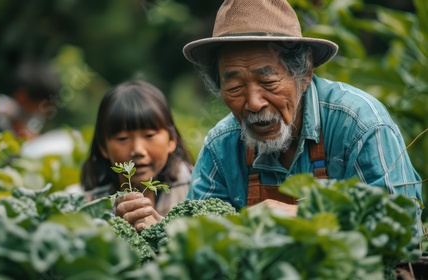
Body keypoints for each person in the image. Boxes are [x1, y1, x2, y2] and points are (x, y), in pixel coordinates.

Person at [118, 0, 424, 232]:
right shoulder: (221, 148)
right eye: (234, 85)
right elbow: (206, 243)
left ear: (303, 73)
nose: (253, 103)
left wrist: (307, 219)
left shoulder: (358, 124)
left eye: (268, 82)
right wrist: (166, 233)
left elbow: (404, 229)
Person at [81, 80, 194, 229]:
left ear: (171, 140)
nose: (138, 150)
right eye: (123, 139)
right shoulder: (86, 205)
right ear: (103, 147)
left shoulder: (194, 186)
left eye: (149, 135)